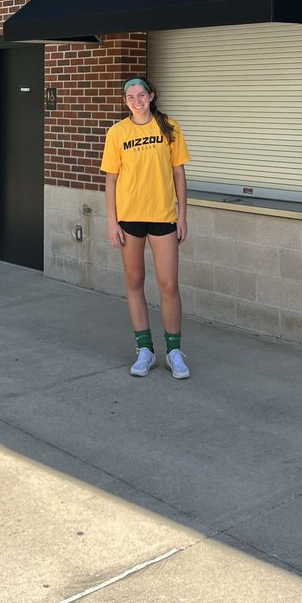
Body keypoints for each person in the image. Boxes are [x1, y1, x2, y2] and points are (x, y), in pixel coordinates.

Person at [101, 76, 191, 379]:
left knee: (169, 284)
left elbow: (179, 173)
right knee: (134, 281)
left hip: (163, 215)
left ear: (151, 96)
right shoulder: (117, 132)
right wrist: (112, 221)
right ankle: (144, 350)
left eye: (141, 95)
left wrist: (183, 215)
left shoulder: (169, 128)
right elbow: (111, 179)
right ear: (125, 101)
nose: (136, 101)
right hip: (129, 219)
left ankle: (174, 351)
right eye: (130, 97)